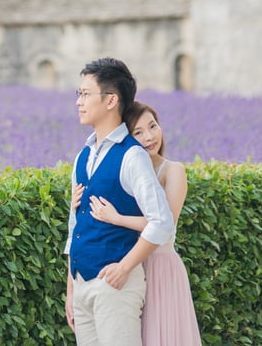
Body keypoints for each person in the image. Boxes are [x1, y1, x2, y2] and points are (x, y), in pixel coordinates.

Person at [65, 59, 174, 346]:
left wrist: (124, 267)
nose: (79, 101)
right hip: (82, 284)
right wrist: (71, 289)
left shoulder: (132, 156)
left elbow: (162, 222)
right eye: (79, 94)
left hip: (115, 285)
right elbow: (75, 226)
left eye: (86, 94)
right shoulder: (82, 156)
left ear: (111, 100)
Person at [78, 101, 202, 346]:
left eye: (153, 126)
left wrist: (117, 218)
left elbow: (166, 226)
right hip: (132, 260)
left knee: (160, 336)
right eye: (138, 132)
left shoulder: (172, 170)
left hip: (159, 264)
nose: (149, 137)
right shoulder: (127, 167)